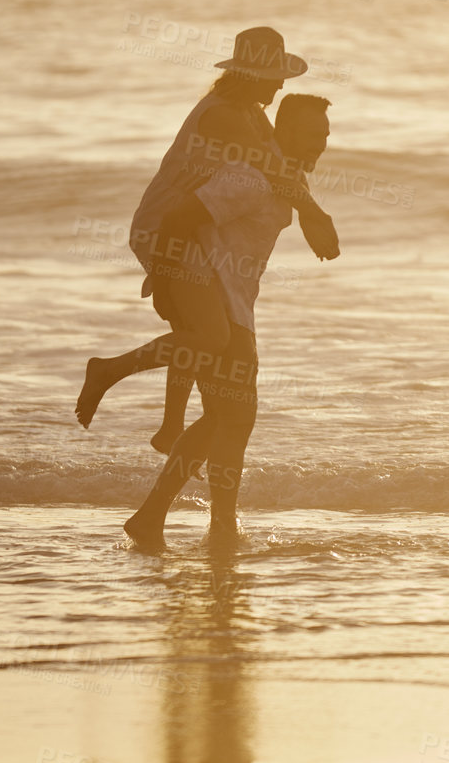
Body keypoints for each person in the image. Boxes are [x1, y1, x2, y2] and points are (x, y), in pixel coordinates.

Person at [74, 27, 337, 435]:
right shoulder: (224, 116)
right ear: (252, 76)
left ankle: (169, 426)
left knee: (197, 331)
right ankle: (108, 371)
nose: (283, 83)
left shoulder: (251, 111)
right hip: (165, 225)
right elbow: (270, 172)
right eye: (275, 75)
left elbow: (281, 170)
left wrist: (308, 213)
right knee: (210, 336)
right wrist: (315, 215)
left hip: (192, 223)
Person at [121, 92, 332, 551]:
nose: (321, 144)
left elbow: (293, 190)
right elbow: (181, 219)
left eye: (326, 136)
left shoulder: (283, 174)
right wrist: (165, 283)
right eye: (312, 134)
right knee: (232, 418)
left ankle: (165, 518)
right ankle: (204, 525)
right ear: (286, 131)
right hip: (216, 299)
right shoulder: (250, 176)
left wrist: (316, 219)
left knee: (226, 420)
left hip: (237, 305)